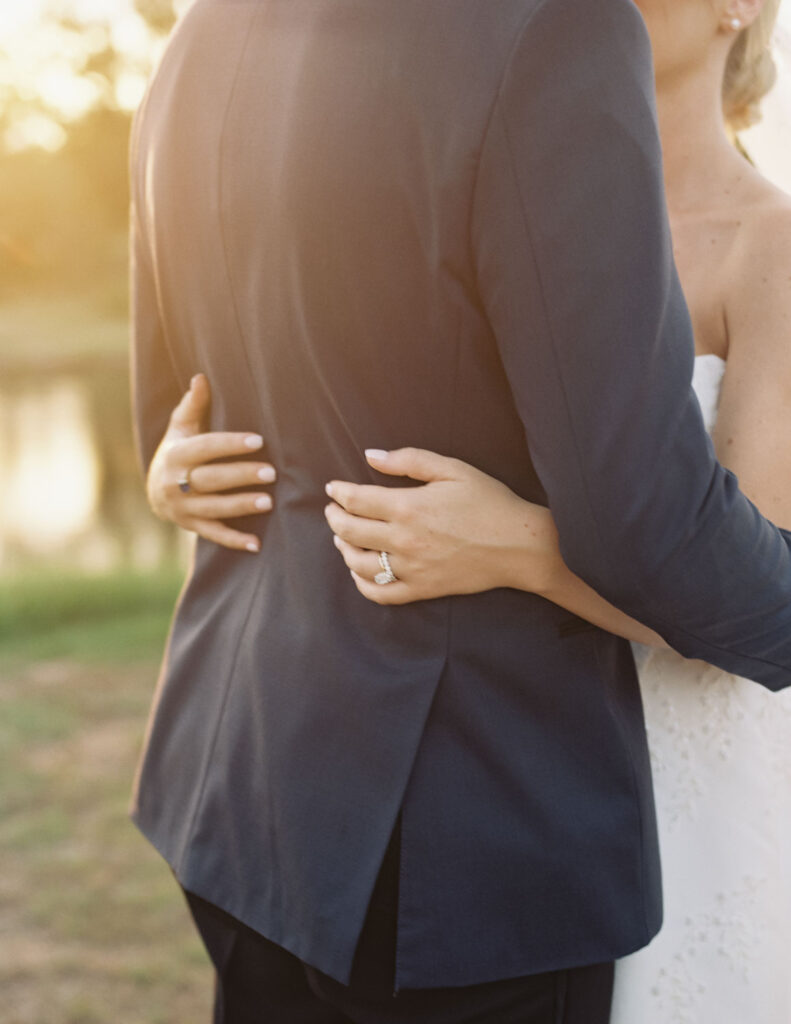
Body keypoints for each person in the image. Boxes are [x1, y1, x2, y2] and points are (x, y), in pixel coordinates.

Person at [131, 0, 791, 1021]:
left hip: (244, 793)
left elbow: (170, 399)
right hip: (452, 836)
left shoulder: (209, 30)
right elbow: (643, 529)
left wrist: (525, 547)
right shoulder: (549, 37)